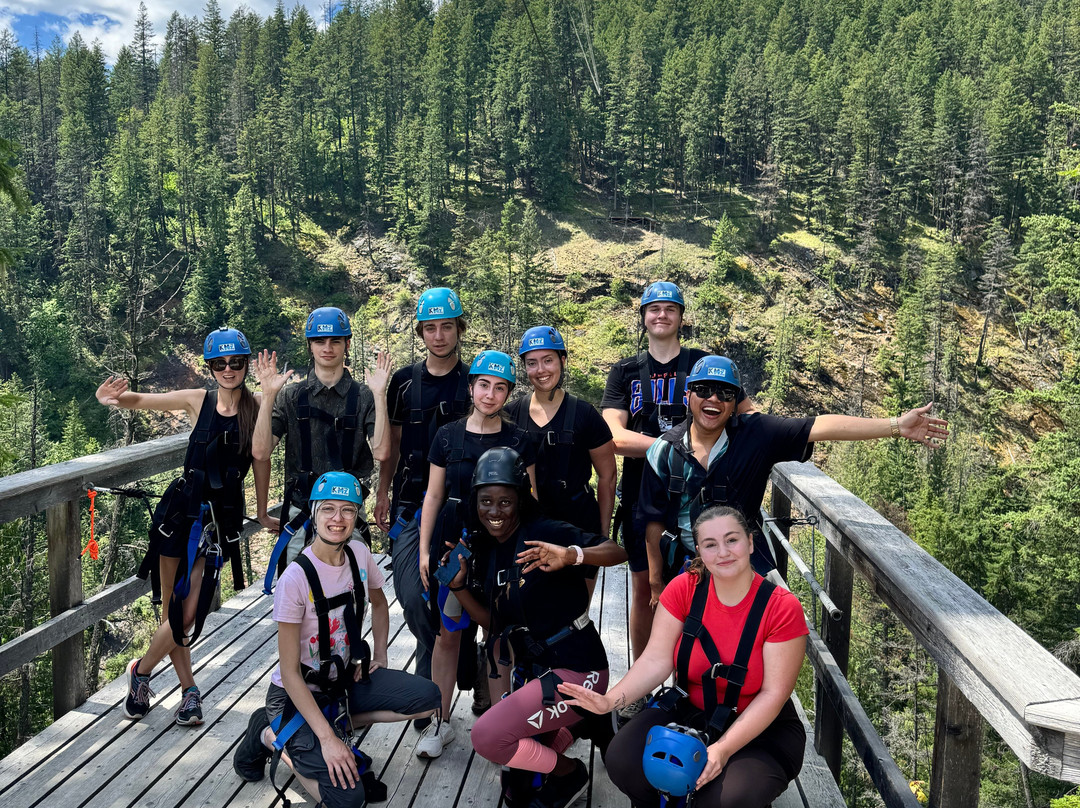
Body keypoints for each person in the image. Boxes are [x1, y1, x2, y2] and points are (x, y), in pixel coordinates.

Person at [638, 355, 949, 602]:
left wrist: (896, 425)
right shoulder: (664, 452)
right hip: (685, 566)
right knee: (686, 652)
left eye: (726, 392)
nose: (714, 399)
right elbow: (653, 523)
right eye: (704, 389)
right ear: (688, 393)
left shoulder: (756, 434)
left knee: (766, 632)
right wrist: (655, 582)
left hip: (742, 563)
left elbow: (822, 426)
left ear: (734, 405)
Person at [559, 506, 808, 808]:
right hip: (689, 711)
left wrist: (724, 749)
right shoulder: (685, 588)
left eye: (732, 540)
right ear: (700, 551)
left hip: (758, 727)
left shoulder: (782, 607)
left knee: (727, 798)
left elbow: (773, 694)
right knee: (622, 759)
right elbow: (656, 659)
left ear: (751, 543)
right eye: (711, 545)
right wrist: (610, 701)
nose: (723, 552)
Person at [96, 327, 274, 725]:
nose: (229, 370)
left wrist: (262, 514)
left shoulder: (260, 406)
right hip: (179, 514)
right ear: (210, 367)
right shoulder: (199, 400)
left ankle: (140, 671)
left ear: (246, 365)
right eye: (220, 363)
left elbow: (262, 461)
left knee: (186, 614)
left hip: (215, 524)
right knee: (171, 616)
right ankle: (190, 692)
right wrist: (111, 398)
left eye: (236, 362)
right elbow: (143, 400)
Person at [232, 472, 441, 808]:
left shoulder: (358, 553)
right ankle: (271, 735)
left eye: (347, 509)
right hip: (294, 694)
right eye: (328, 508)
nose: (337, 519)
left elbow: (379, 603)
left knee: (429, 699)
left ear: (357, 514)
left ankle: (316, 727)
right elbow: (289, 672)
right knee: (348, 800)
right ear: (313, 512)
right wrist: (329, 741)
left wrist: (382, 655)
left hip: (342, 682)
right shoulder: (295, 578)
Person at [445, 447, 627, 808]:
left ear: (521, 500)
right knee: (516, 788)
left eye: (505, 502)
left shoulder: (543, 530)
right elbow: (494, 624)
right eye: (486, 502)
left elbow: (616, 552)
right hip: (540, 672)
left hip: (580, 668)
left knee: (488, 738)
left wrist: (571, 554)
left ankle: (570, 771)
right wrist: (459, 587)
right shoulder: (489, 548)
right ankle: (585, 723)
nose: (494, 512)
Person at [601, 281, 755, 668]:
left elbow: (750, 418)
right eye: (653, 308)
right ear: (643, 317)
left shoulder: (705, 365)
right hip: (644, 496)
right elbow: (614, 437)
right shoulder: (626, 372)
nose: (661, 314)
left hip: (706, 500)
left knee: (707, 590)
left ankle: (695, 680)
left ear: (681, 318)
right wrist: (674, 446)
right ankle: (643, 677)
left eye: (670, 308)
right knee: (644, 590)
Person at [414, 350, 539, 759]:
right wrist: (423, 550)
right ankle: (439, 721)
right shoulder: (447, 435)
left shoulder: (520, 440)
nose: (490, 394)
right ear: (471, 387)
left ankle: (503, 726)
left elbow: (531, 500)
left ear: (508, 393)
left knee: (500, 636)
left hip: (503, 550)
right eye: (483, 385)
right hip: (455, 546)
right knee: (448, 634)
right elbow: (433, 494)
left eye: (500, 387)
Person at [374, 288, 470, 691]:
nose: (439, 336)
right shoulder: (402, 383)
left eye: (447, 326)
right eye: (430, 328)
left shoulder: (474, 382)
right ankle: (464, 666)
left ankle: (429, 690)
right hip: (411, 503)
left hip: (463, 506)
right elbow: (392, 446)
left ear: (459, 330)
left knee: (456, 594)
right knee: (413, 596)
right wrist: (381, 492)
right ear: (421, 333)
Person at [253, 306, 391, 576]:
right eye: (320, 341)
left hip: (348, 510)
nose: (327, 348)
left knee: (353, 588)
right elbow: (260, 451)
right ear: (310, 345)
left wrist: (380, 396)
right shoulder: (291, 396)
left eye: (335, 341)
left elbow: (382, 451)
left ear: (346, 344)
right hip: (302, 507)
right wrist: (268, 396)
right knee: (294, 588)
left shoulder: (364, 396)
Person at [506, 326, 616, 543]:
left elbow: (608, 476)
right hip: (528, 525)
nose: (540, 370)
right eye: (532, 363)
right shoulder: (511, 415)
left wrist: (603, 536)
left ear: (562, 361)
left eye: (548, 360)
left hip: (579, 524)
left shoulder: (585, 415)